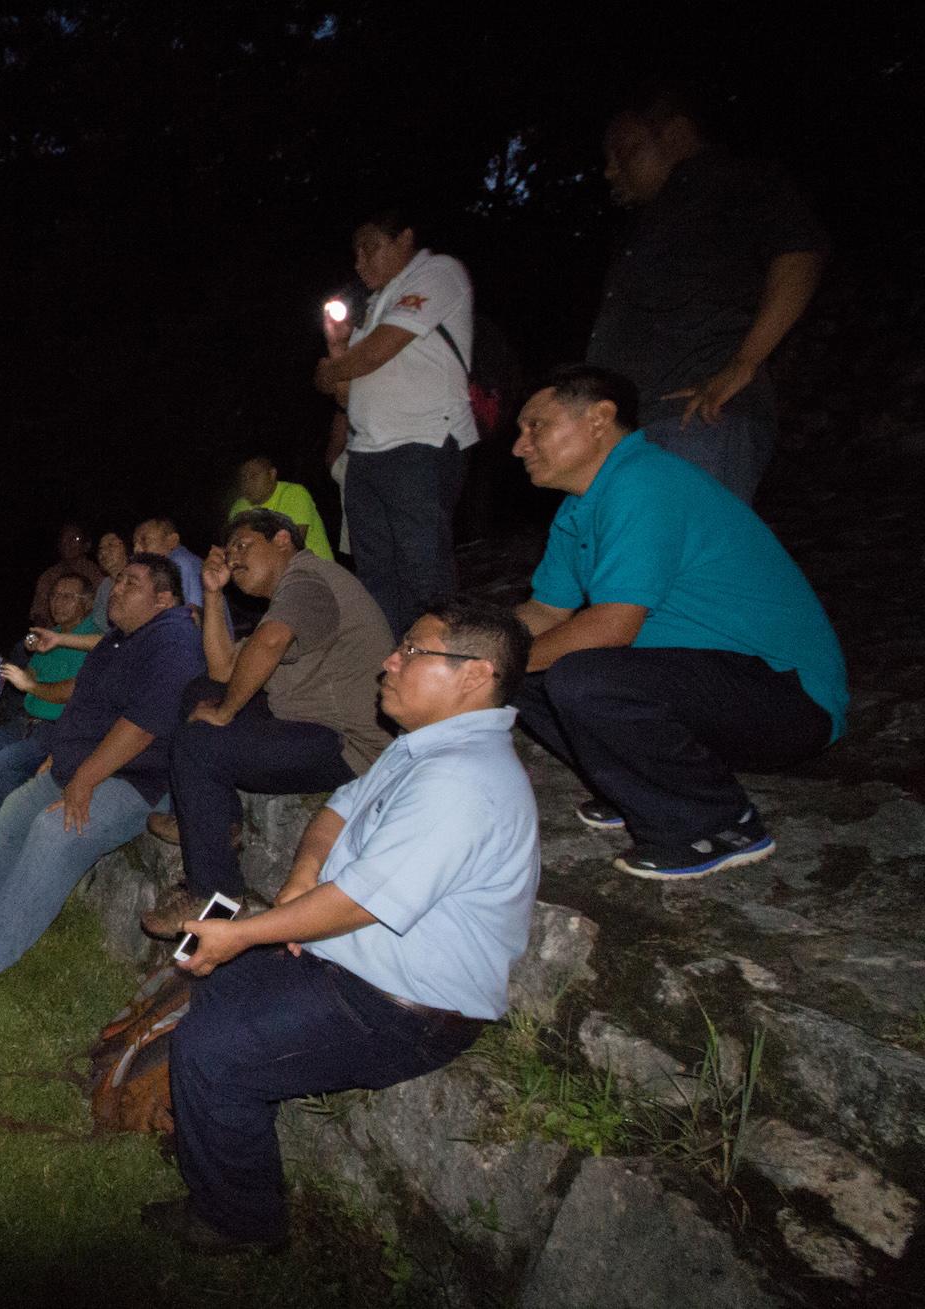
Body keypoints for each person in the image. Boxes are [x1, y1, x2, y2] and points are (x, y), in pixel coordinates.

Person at [140, 599, 538, 1255]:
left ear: (474, 675)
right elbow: (338, 809)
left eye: (412, 650)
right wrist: (300, 881)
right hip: (353, 962)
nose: (391, 658)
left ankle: (240, 1223)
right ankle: (223, 1137)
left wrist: (249, 930)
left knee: (212, 1048)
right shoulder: (420, 750)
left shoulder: (466, 780)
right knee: (216, 989)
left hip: (405, 1005)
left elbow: (360, 901)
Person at [509, 365, 846, 879]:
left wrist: (496, 662)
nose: (519, 446)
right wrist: (462, 651)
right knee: (518, 671)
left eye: (535, 426)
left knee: (576, 674)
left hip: (789, 697)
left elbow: (612, 626)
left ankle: (716, 824)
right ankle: (635, 785)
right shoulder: (580, 508)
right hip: (708, 688)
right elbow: (545, 611)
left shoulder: (644, 481)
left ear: (600, 418)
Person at [0, 554, 204, 982]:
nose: (116, 589)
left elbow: (142, 728)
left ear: (163, 600)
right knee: (20, 805)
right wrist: (62, 753)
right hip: (90, 764)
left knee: (57, 832)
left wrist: (84, 777)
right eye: (119, 580)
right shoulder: (119, 640)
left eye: (131, 583)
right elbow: (84, 700)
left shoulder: (173, 640)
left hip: (140, 780)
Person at [141, 509, 392, 938]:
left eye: (243, 545)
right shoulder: (292, 597)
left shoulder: (307, 578)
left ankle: (215, 896)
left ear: (282, 540)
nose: (233, 559)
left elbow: (271, 641)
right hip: (305, 721)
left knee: (201, 740)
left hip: (348, 742)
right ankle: (218, 824)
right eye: (229, 550)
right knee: (200, 691)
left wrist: (226, 713)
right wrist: (213, 593)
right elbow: (222, 673)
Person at [586, 91, 827, 503]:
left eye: (624, 151)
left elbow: (799, 255)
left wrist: (744, 362)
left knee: (693, 560)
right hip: (628, 430)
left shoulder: (737, 182)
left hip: (693, 417)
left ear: (676, 134)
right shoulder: (644, 223)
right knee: (639, 563)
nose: (610, 171)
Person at [314, 209, 479, 639]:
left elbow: (375, 354)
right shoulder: (373, 308)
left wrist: (333, 369)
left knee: (423, 571)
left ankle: (440, 666)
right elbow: (347, 394)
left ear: (404, 238)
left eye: (370, 247)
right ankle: (392, 668)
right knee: (375, 578)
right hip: (365, 454)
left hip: (419, 443)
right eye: (355, 253)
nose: (359, 261)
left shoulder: (438, 272)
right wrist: (337, 350)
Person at [0, 572, 99, 821]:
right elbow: (32, 672)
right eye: (54, 596)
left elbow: (71, 692)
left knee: (7, 760)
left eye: (67, 597)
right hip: (28, 720)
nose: (57, 602)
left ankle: (9, 825)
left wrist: (29, 685)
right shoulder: (52, 634)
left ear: (87, 602)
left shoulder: (92, 640)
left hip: (59, 729)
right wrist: (5, 672)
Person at [225, 457, 333, 562]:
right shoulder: (239, 507)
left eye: (254, 476)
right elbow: (233, 549)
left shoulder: (294, 494)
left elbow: (292, 547)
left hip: (315, 570)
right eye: (243, 478)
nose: (248, 483)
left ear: (272, 474)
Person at [27, 523, 106, 624]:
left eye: (74, 539)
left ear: (87, 545)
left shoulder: (97, 573)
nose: (67, 543)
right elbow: (39, 612)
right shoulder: (48, 576)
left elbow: (102, 609)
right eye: (63, 539)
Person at [132, 517, 204, 605]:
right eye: (135, 543)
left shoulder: (180, 563)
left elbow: (189, 613)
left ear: (172, 541)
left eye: (145, 540)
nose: (137, 549)